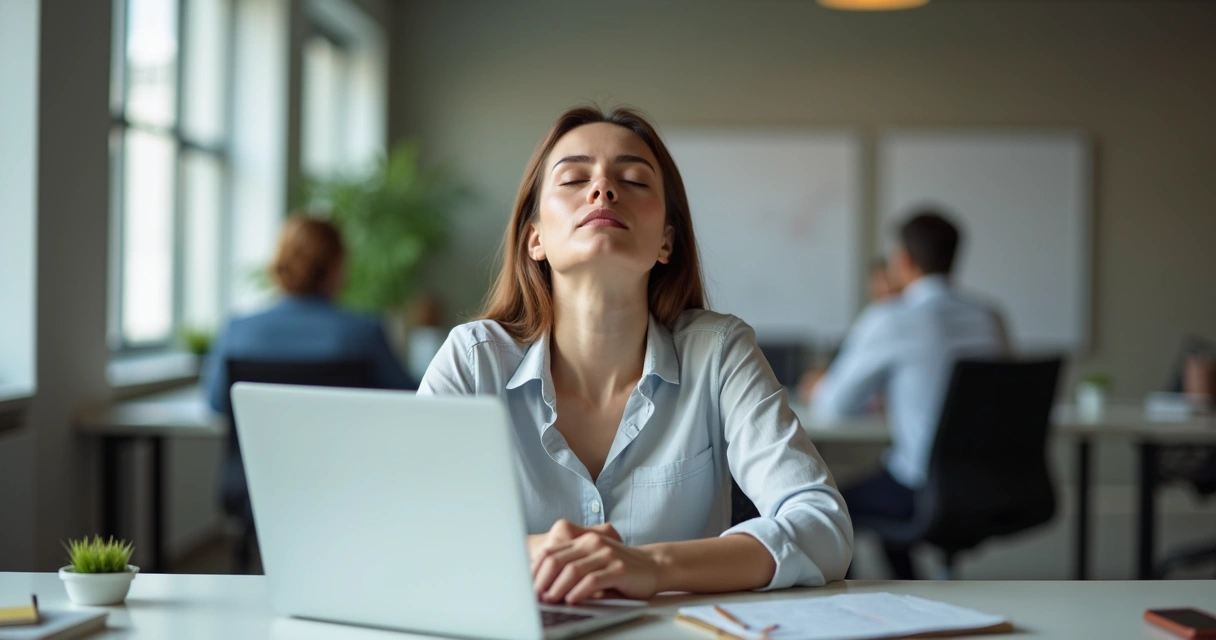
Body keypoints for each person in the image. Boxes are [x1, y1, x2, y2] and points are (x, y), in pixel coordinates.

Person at [419, 106, 852, 604]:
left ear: (667, 241)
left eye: (634, 180)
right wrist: (537, 554)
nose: (603, 189)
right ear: (535, 238)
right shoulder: (472, 361)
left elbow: (822, 524)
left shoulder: (719, 354)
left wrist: (651, 565)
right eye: (574, 178)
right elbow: (399, 530)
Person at [810, 211, 1008, 579]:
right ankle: (913, 592)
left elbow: (833, 406)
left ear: (903, 259)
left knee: (830, 508)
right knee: (887, 493)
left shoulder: (892, 318)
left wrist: (820, 385)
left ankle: (843, 618)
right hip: (991, 484)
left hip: (921, 489)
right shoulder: (990, 317)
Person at [203, 214, 414, 415]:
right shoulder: (364, 333)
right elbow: (411, 399)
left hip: (258, 454)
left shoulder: (237, 330)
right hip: (346, 452)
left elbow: (217, 403)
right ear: (337, 268)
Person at [796, 259, 901, 404]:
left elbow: (838, 401)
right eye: (878, 281)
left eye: (888, 280)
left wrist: (823, 390)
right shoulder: (872, 319)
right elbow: (849, 369)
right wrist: (826, 379)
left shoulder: (888, 320)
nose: (885, 288)